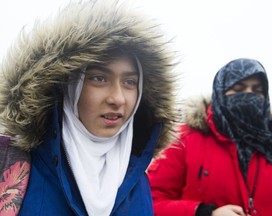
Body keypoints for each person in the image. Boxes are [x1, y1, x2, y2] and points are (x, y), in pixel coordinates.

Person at [0, 0, 178, 215]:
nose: (118, 99)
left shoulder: (137, 176)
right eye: (99, 78)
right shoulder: (14, 163)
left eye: (130, 82)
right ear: (69, 85)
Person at [147, 58, 272, 216]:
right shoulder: (184, 141)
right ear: (220, 92)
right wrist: (205, 213)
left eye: (256, 90)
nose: (248, 95)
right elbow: (149, 203)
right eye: (238, 88)